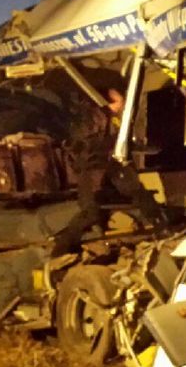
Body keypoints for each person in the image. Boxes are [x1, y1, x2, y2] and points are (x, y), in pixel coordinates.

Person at [52, 87, 165, 255]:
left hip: (112, 167)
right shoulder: (93, 119)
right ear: (112, 100)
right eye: (121, 101)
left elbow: (121, 143)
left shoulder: (114, 121)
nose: (124, 105)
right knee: (91, 212)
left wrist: (145, 148)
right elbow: (89, 145)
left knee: (140, 195)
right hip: (92, 170)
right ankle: (62, 248)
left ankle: (162, 230)